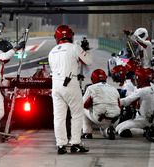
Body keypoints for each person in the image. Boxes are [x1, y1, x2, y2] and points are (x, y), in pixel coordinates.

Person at [48, 25, 91, 154]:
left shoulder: (52, 51)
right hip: (70, 83)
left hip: (56, 86)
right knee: (77, 115)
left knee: (59, 117)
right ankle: (75, 143)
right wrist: (85, 49)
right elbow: (88, 61)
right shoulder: (74, 47)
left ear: (57, 37)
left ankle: (61, 145)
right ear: (70, 36)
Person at [116, 68, 154, 137]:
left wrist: (113, 101)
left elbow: (126, 101)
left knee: (121, 130)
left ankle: (147, 131)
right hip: (153, 119)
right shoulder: (153, 88)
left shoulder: (142, 90)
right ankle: (149, 129)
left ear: (140, 79)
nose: (135, 80)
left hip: (145, 120)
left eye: (136, 78)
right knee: (118, 128)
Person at [82, 69, 121, 140]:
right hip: (115, 120)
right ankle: (108, 130)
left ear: (93, 79)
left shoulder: (91, 88)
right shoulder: (113, 88)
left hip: (100, 118)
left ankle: (87, 133)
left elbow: (84, 105)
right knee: (104, 131)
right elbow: (119, 105)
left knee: (82, 108)